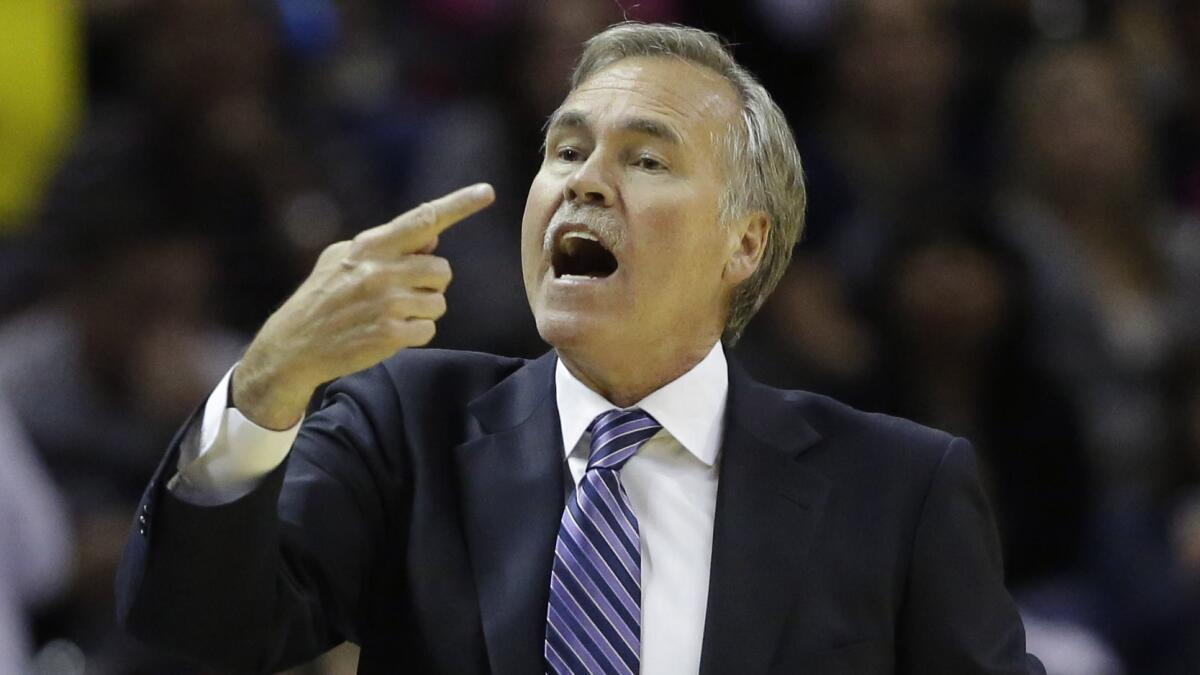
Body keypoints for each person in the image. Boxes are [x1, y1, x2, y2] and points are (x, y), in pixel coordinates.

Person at [116, 22, 1044, 674]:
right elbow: (200, 625)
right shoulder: (405, 425)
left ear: (745, 242)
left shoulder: (897, 487)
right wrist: (268, 382)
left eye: (645, 159)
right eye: (564, 151)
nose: (585, 182)